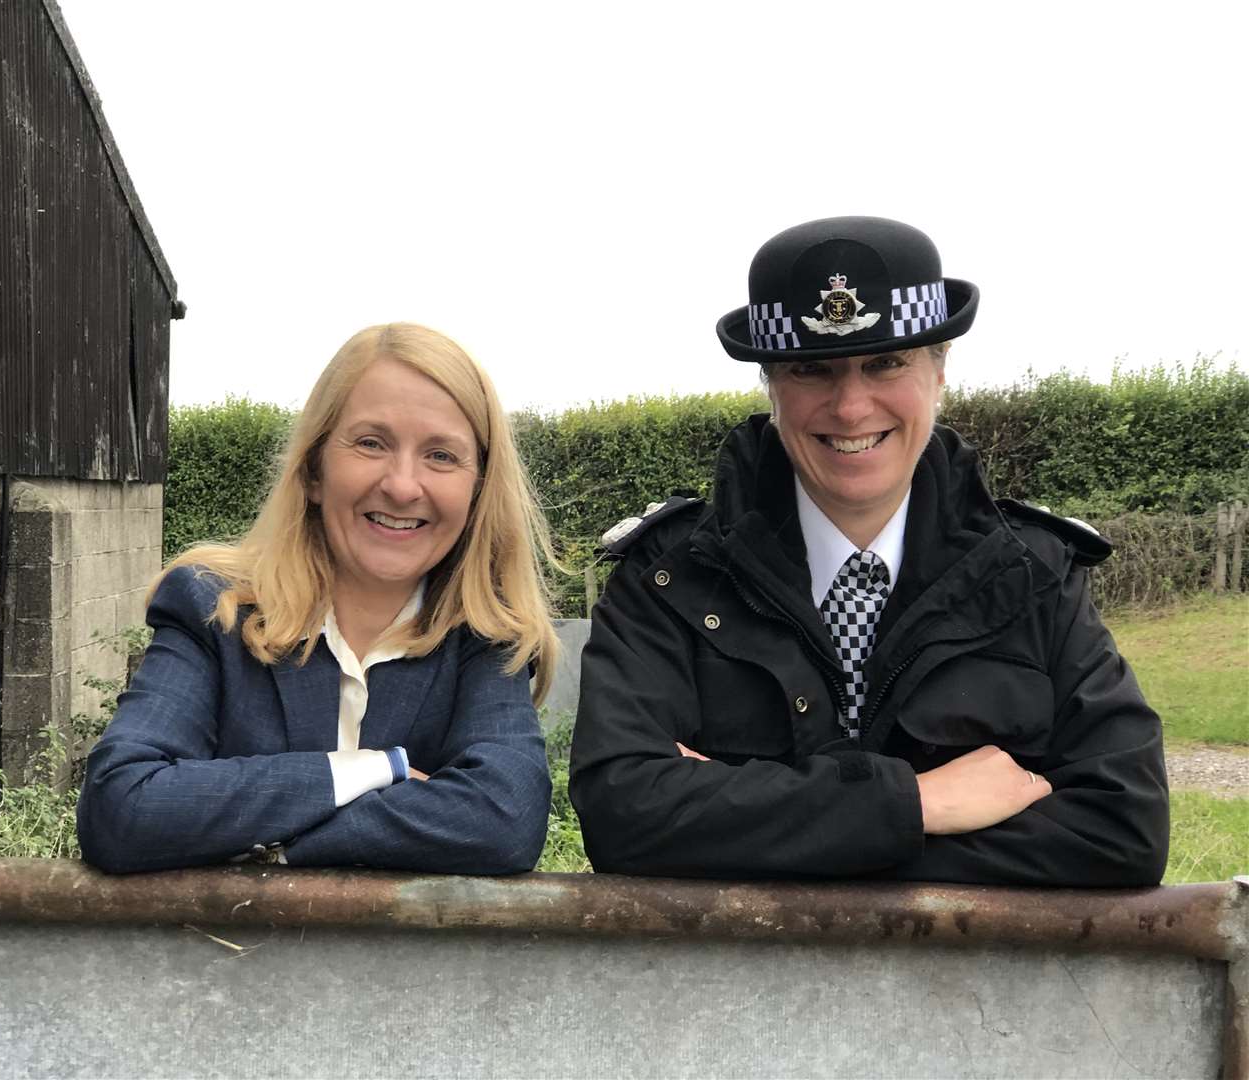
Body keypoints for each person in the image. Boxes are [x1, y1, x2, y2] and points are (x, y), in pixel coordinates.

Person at [569, 217, 1169, 886]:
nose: (852, 406)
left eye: (886, 362)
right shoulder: (670, 577)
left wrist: (749, 820)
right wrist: (921, 804)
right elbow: (622, 816)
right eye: (811, 369)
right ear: (771, 384)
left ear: (939, 372)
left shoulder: (1032, 575)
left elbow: (1125, 829)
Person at [78, 323, 557, 874]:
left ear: (477, 490)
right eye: (371, 443)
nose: (403, 486)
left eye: (442, 456)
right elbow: (124, 807)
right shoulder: (212, 608)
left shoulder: (486, 636)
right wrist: (376, 769)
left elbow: (505, 820)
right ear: (312, 470)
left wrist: (272, 845)